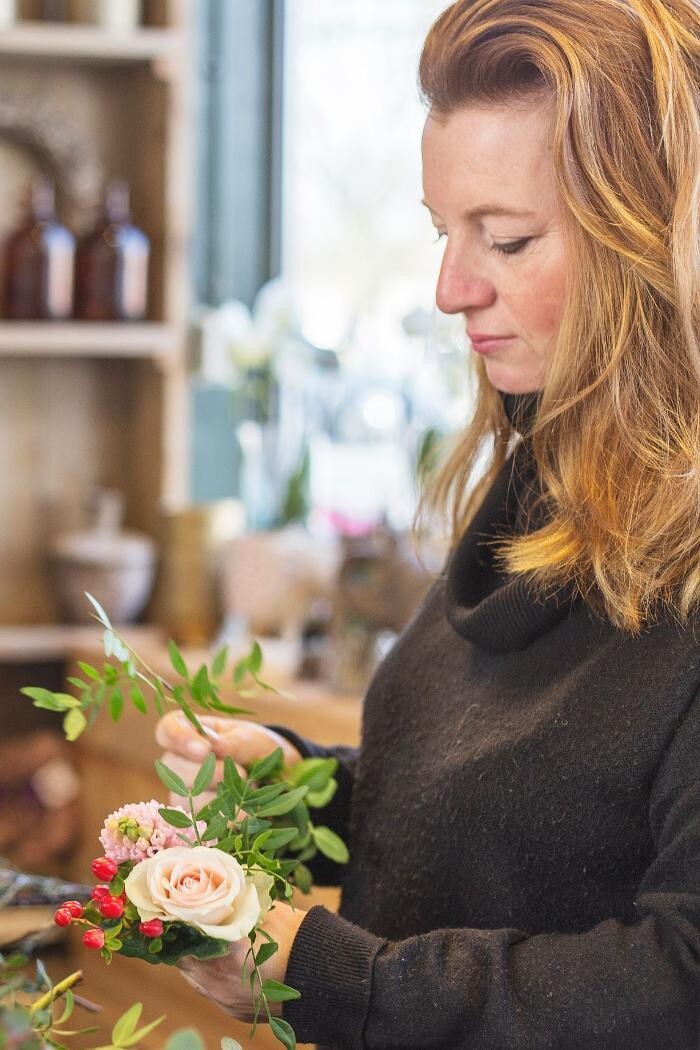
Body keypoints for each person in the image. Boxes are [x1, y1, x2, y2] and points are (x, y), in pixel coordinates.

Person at [157, 0, 700, 1046]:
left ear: (659, 245)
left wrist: (341, 979)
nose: (450, 288)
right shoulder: (544, 485)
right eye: (442, 232)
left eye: (506, 238)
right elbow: (535, 823)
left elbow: (676, 984)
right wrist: (305, 791)